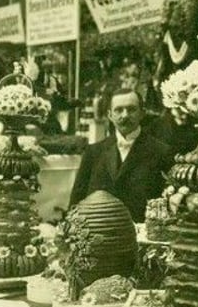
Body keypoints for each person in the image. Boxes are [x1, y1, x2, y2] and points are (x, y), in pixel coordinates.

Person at [69, 87, 173, 222]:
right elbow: (76, 201)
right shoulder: (93, 152)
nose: (125, 115)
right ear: (110, 115)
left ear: (142, 113)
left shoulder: (161, 152)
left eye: (131, 109)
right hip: (98, 230)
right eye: (118, 110)